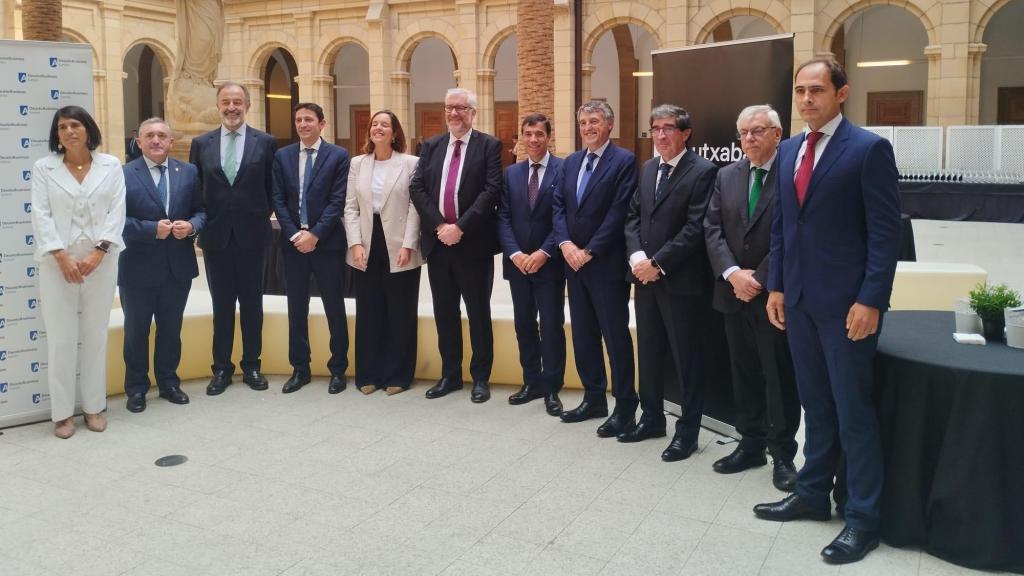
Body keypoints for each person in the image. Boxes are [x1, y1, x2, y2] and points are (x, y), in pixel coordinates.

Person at [754, 59, 901, 565]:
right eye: (799, 91)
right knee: (815, 409)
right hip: (796, 303)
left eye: (816, 90)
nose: (806, 99)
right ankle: (813, 494)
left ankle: (863, 519)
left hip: (847, 309)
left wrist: (871, 300)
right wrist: (775, 286)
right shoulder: (791, 148)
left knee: (853, 413)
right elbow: (782, 229)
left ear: (842, 93)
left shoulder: (868, 150)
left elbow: (885, 236)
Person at [703, 105, 800, 488]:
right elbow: (712, 228)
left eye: (757, 131)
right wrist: (731, 273)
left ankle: (783, 454)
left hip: (772, 295)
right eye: (743, 133)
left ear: (777, 134)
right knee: (742, 372)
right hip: (732, 293)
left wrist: (757, 278)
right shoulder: (726, 175)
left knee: (778, 376)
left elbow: (792, 234)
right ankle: (751, 444)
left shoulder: (792, 175)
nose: (749, 139)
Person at [621, 104, 718, 461]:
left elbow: (697, 228)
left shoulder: (703, 171)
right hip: (644, 280)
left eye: (668, 128)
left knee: (686, 359)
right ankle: (651, 419)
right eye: (655, 129)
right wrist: (636, 260)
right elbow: (631, 217)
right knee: (649, 353)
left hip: (681, 283)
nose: (660, 135)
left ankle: (688, 433)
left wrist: (658, 264)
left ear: (685, 132)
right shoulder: (647, 169)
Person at [30, 106, 125, 438]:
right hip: (58, 264)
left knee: (96, 334)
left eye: (75, 125)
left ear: (88, 129)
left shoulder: (111, 166)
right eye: (62, 127)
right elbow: (40, 215)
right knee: (61, 338)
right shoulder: (44, 168)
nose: (69, 131)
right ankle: (61, 414)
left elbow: (117, 210)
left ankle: (94, 406)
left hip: (101, 260)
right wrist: (60, 256)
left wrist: (99, 252)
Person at [409, 87, 503, 403]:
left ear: (473, 113)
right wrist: (440, 226)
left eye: (461, 108)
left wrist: (460, 228)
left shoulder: (489, 146)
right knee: (444, 312)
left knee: (478, 313)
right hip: (438, 245)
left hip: (473, 245)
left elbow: (491, 191)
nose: (454, 114)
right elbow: (417, 187)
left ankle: (480, 378)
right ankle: (450, 375)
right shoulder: (432, 146)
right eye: (449, 107)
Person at [552, 100, 638, 437]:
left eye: (595, 121)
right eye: (584, 122)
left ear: (609, 126)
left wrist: (589, 250)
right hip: (573, 265)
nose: (588, 127)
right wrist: (566, 245)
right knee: (584, 335)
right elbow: (557, 207)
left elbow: (619, 213)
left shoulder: (624, 161)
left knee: (615, 337)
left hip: (606, 266)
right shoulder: (571, 162)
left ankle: (625, 406)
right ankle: (593, 397)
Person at [189, 82, 278, 395]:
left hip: (253, 237)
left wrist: (256, 215)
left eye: (237, 102)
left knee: (253, 305)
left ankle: (252, 365)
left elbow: (273, 188)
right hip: (216, 238)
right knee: (222, 306)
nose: (231, 107)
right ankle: (222, 369)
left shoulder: (265, 142)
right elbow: (196, 189)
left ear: (248, 105)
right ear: (218, 105)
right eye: (226, 101)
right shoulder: (201, 144)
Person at [120, 117, 206, 413]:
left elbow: (202, 211)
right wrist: (149, 229)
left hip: (177, 267)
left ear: (171, 141)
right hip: (137, 269)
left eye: (162, 136)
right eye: (150, 136)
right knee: (136, 331)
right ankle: (136, 388)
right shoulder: (123, 174)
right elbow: (114, 221)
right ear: (139, 141)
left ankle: (169, 382)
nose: (156, 140)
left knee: (171, 329)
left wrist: (192, 226)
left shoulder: (189, 172)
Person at [270, 103, 350, 394]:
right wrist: (294, 235)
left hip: (327, 244)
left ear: (322, 123)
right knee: (296, 309)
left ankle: (338, 369)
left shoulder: (338, 156)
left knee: (334, 307)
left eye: (308, 119)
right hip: (293, 246)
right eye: (298, 120)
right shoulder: (282, 156)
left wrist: (314, 234)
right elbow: (277, 199)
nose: (303, 124)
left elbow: (337, 201)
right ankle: (300, 369)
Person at [343, 110, 423, 395]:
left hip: (400, 243)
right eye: (374, 124)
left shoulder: (411, 163)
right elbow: (350, 207)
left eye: (385, 125)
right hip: (366, 242)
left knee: (400, 311)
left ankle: (398, 375)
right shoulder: (357, 164)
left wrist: (408, 244)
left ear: (395, 132)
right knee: (369, 310)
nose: (378, 128)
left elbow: (416, 206)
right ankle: (368, 373)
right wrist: (355, 244)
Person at [497, 113, 565, 416]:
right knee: (524, 325)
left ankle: (552, 388)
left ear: (548, 136)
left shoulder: (564, 170)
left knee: (550, 326)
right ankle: (531, 382)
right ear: (521, 138)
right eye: (528, 134)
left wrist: (543, 252)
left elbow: (563, 219)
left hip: (548, 264)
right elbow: (503, 218)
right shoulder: (511, 173)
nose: (533, 139)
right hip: (518, 265)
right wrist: (515, 253)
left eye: (539, 134)